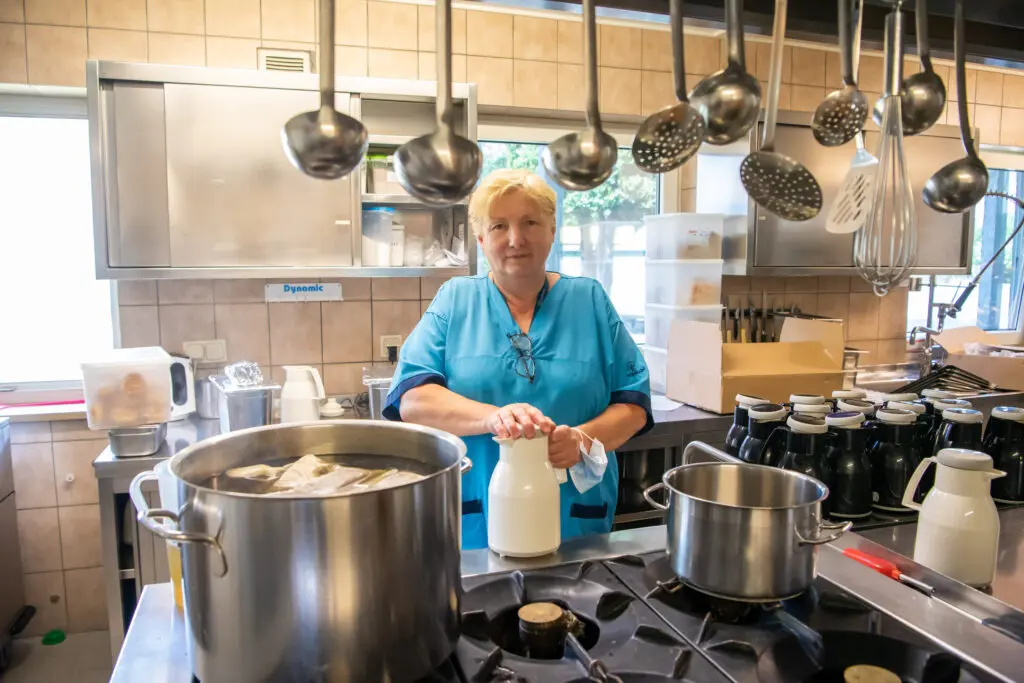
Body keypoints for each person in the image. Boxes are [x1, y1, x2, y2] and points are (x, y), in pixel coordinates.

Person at [384, 168, 653, 550]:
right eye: (498, 226)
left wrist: (582, 438)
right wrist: (491, 417)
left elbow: (634, 404)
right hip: (477, 519)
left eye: (530, 222)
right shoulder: (455, 300)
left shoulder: (589, 301)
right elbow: (412, 399)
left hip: (575, 520)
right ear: (480, 237)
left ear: (552, 231)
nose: (515, 239)